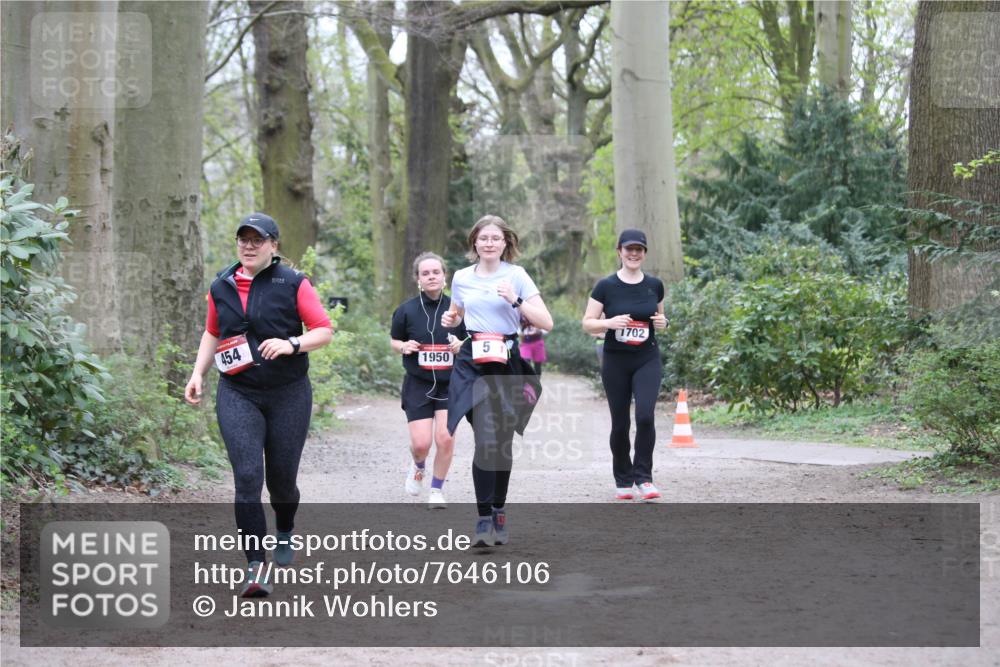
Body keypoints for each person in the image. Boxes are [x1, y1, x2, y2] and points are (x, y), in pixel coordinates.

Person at [184, 213, 332, 597]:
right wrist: (198, 373)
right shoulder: (222, 284)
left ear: (273, 245)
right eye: (243, 239)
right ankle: (255, 566)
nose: (248, 246)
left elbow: (323, 330)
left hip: (288, 392)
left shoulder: (294, 283)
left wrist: (292, 344)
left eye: (257, 239)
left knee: (281, 482)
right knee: (248, 477)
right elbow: (213, 331)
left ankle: (285, 527)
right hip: (238, 391)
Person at [442, 215, 553, 547]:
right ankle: (483, 521)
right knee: (484, 440)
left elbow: (546, 322)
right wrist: (452, 319)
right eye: (483, 238)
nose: (489, 243)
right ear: (474, 243)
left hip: (506, 362)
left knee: (501, 443)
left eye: (495, 238)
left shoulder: (517, 276)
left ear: (506, 243)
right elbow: (457, 313)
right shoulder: (461, 277)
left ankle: (499, 509)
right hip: (472, 362)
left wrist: (515, 301)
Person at [582, 229, 668, 502]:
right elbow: (587, 322)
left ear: (644, 253)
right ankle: (623, 478)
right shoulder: (605, 286)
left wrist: (664, 324)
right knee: (620, 423)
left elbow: (661, 319)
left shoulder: (654, 285)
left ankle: (644, 477)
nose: (633, 254)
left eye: (638, 250)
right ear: (619, 251)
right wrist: (608, 323)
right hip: (616, 361)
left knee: (645, 416)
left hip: (647, 358)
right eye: (628, 249)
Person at [390, 252, 466, 508]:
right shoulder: (405, 310)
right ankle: (418, 464)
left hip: (451, 384)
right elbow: (394, 341)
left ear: (444, 276)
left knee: (445, 438)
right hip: (418, 383)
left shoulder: (459, 310)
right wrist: (404, 346)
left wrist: (460, 345)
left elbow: (471, 340)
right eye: (425, 273)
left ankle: (436, 490)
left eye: (436, 272)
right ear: (418, 279)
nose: (431, 276)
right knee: (421, 444)